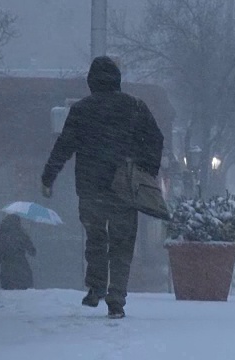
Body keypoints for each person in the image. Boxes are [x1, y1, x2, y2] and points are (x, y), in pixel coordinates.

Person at [41, 56, 164, 319]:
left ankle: (96, 286)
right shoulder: (135, 107)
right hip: (125, 187)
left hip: (91, 186)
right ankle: (116, 298)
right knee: (122, 244)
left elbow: (64, 146)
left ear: (91, 82)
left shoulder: (82, 110)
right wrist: (146, 171)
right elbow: (155, 139)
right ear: (117, 81)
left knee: (96, 238)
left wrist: (48, 175)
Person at [0, 214, 37, 290]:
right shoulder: (22, 235)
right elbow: (32, 252)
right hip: (22, 269)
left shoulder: (3, 236)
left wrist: (4, 260)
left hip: (6, 270)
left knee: (8, 293)